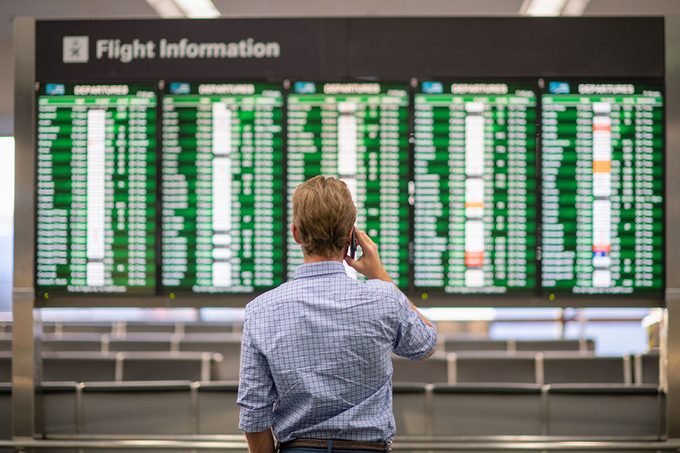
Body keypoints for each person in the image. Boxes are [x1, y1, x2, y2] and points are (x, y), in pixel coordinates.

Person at [237, 175, 437, 453]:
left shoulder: (260, 310)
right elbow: (426, 344)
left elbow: (253, 413)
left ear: (295, 233)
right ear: (350, 238)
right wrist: (380, 274)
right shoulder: (383, 297)